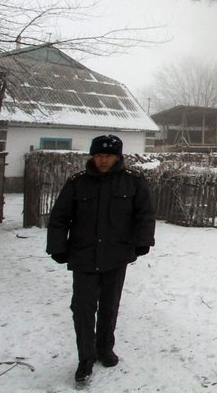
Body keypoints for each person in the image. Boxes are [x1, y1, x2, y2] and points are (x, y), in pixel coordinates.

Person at [46, 134, 156, 383]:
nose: (103, 160)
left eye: (108, 156)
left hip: (116, 255)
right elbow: (60, 217)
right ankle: (85, 358)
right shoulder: (77, 183)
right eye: (98, 155)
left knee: (109, 305)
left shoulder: (133, 183)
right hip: (83, 255)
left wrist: (143, 241)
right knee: (82, 308)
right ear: (92, 156)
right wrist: (57, 247)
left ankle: (105, 348)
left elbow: (145, 214)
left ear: (118, 157)